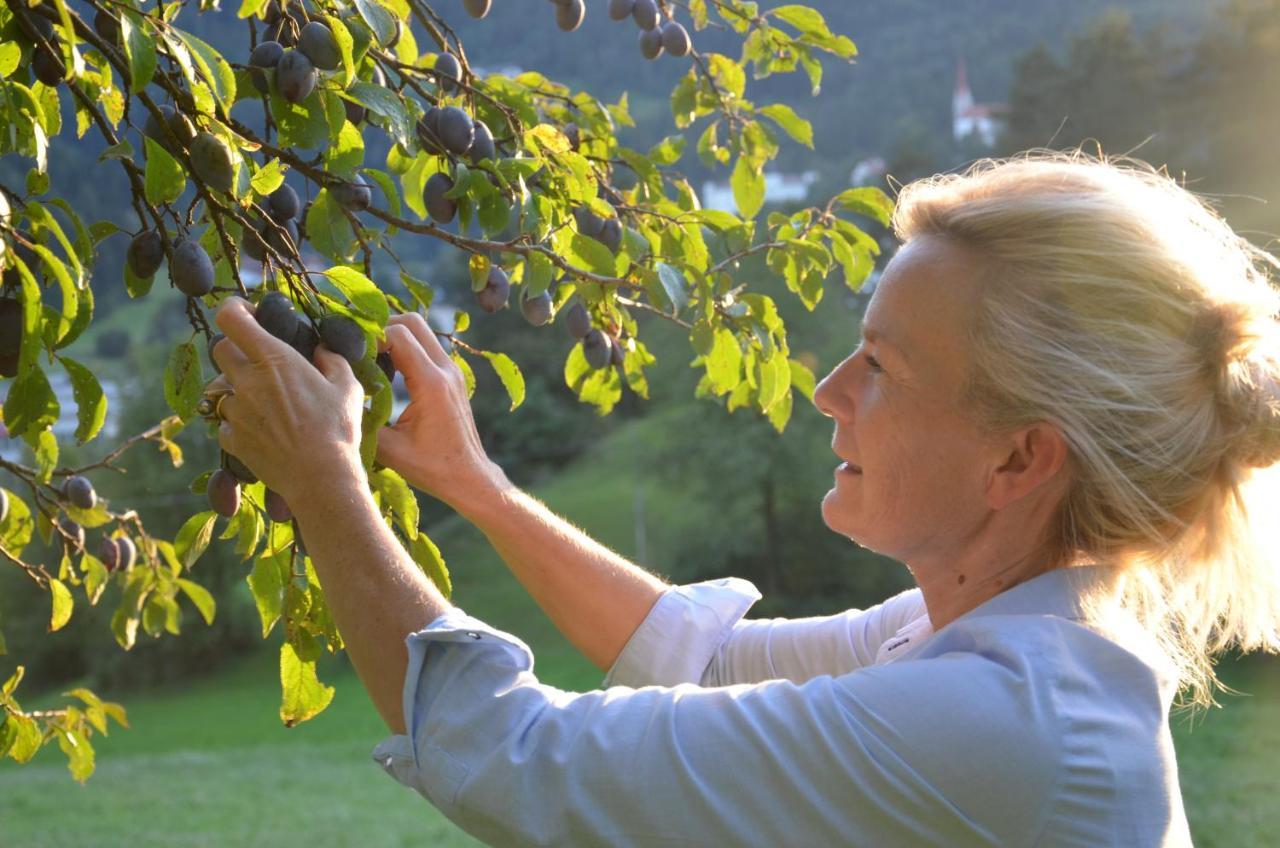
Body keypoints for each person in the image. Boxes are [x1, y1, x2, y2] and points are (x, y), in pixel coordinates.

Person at [206, 148, 1280, 847]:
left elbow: (517, 758)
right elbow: (704, 659)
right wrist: (473, 485)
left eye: (878, 367)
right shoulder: (1002, 642)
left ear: (1016, 461)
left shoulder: (1006, 717)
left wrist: (323, 478)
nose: (826, 392)